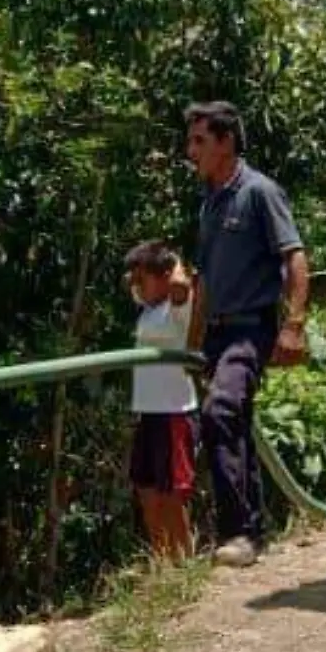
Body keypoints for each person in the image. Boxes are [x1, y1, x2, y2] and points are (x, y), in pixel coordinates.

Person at [184, 101, 310, 568]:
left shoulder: (260, 192)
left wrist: (294, 325)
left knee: (220, 411)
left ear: (226, 142)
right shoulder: (209, 203)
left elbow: (295, 258)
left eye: (199, 140)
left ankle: (238, 533)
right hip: (217, 335)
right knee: (230, 421)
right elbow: (204, 280)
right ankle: (253, 530)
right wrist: (192, 346)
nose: (189, 151)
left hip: (250, 329)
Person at [124, 240, 200, 560]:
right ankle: (162, 563)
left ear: (166, 275)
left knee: (172, 495)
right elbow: (133, 284)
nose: (136, 285)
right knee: (147, 490)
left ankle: (185, 563)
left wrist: (172, 260)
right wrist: (142, 272)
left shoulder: (177, 306)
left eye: (143, 278)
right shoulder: (149, 311)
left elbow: (182, 282)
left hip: (173, 411)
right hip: (149, 412)